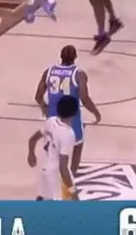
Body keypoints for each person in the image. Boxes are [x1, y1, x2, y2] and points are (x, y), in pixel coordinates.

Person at [34, 45, 101, 177]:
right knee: (77, 146)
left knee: (53, 149)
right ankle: (72, 176)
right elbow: (84, 98)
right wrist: (96, 113)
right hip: (71, 118)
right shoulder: (79, 74)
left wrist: (44, 107)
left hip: (53, 118)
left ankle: (49, 180)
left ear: (61, 56)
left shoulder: (49, 71)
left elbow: (38, 96)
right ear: (75, 57)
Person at [26, 93, 80, 201]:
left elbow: (32, 139)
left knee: (43, 198)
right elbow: (63, 167)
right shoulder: (68, 134)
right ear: (75, 113)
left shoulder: (51, 121)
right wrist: (73, 192)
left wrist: (31, 153)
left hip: (45, 169)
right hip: (56, 176)